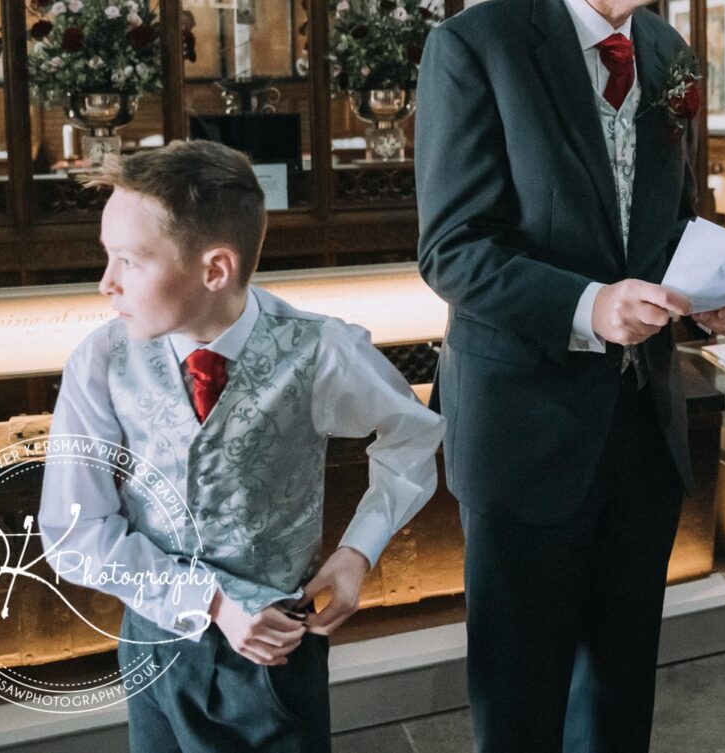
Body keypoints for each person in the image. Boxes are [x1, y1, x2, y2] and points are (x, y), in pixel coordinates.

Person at [415, 0, 725, 753]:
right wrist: (589, 305)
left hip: (640, 435)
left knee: (619, 701)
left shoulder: (668, 52)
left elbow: (668, 225)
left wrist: (707, 297)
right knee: (522, 700)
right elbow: (452, 250)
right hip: (525, 430)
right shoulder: (478, 47)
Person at [39, 140, 443, 753]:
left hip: (277, 656)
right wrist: (212, 601)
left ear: (215, 269)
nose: (106, 284)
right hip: (156, 645)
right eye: (107, 257)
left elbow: (412, 434)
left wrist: (359, 551)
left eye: (130, 261)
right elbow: (74, 533)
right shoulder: (100, 362)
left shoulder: (320, 351)